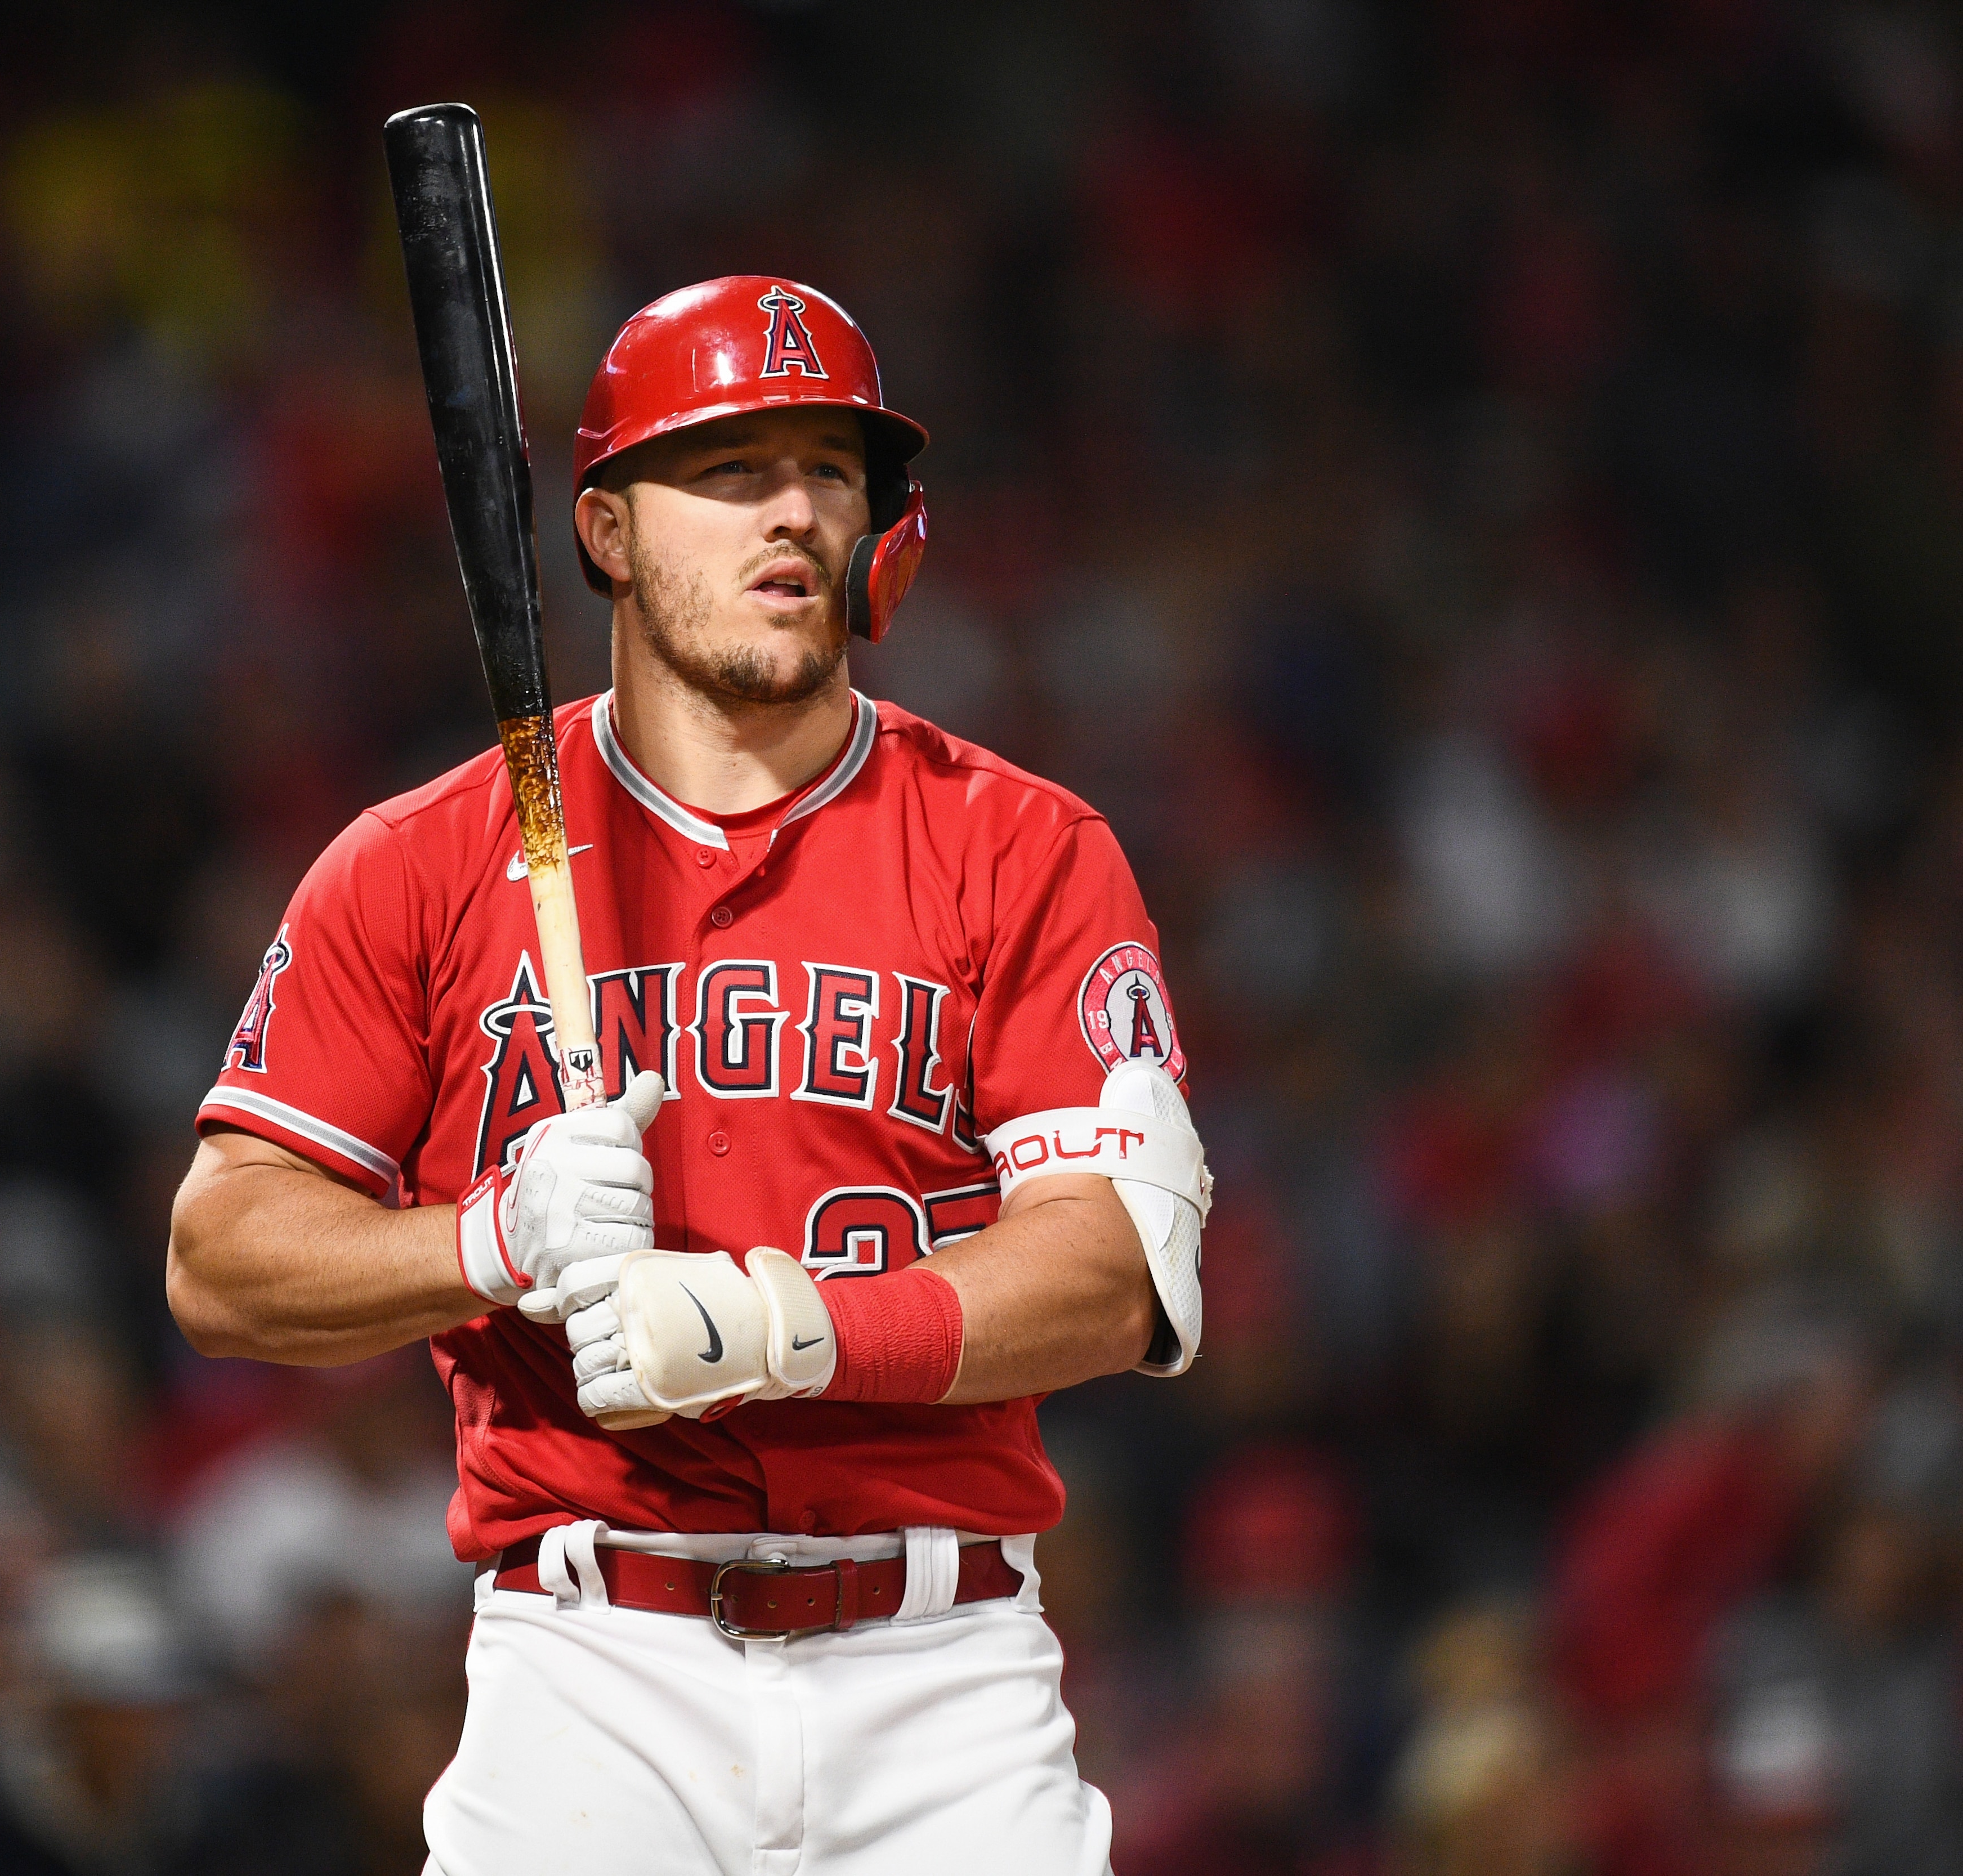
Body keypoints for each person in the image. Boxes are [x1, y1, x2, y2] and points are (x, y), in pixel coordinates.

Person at [166, 276, 1210, 1874]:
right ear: (606, 531)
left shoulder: (1022, 846)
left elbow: (1117, 1273)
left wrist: (788, 1329)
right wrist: (487, 1242)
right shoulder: (423, 862)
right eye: (731, 471)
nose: (793, 512)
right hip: (592, 1672)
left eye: (831, 472)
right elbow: (220, 1257)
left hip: (943, 1675)